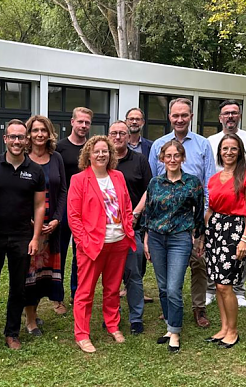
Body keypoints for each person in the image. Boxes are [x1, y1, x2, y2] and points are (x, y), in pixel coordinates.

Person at [0, 119, 46, 351]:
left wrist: (35, 237)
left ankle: (12, 333)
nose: (17, 141)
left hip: (22, 237)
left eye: (21, 137)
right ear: (5, 139)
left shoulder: (36, 171)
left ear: (26, 140)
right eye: (12, 137)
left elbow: (39, 206)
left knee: (18, 287)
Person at [148, 98, 214, 328]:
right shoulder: (158, 145)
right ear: (169, 117)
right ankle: (170, 308)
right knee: (166, 269)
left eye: (184, 115)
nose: (179, 119)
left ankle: (198, 308)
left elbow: (208, 185)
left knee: (198, 262)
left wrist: (203, 223)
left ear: (191, 117)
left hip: (194, 218)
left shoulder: (203, 144)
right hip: (164, 224)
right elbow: (153, 186)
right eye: (175, 115)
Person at [67, 136, 136, 353]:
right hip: (92, 246)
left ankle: (113, 325)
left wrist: (128, 232)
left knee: (113, 289)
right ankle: (82, 334)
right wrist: (84, 242)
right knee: (85, 292)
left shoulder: (118, 176)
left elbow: (126, 206)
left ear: (110, 154)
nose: (101, 154)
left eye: (105, 151)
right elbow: (74, 216)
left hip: (118, 243)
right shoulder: (79, 180)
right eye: (96, 151)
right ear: (88, 154)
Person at [144, 140, 204, 353]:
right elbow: (148, 213)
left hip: (180, 239)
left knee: (173, 287)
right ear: (162, 158)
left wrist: (199, 238)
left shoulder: (192, 183)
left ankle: (176, 332)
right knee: (162, 287)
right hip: (156, 238)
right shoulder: (155, 183)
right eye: (167, 156)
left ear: (182, 158)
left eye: (176, 155)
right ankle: (170, 326)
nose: (171, 159)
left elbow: (198, 214)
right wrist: (146, 240)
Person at [205, 100, 246, 308]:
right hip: (217, 210)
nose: (230, 116)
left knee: (237, 257)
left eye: (234, 113)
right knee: (213, 257)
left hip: (237, 214)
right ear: (220, 117)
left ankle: (238, 290)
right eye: (226, 113)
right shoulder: (211, 141)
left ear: (239, 115)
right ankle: (211, 289)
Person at [204, 133, 246, 349]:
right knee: (218, 284)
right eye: (225, 149)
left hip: (235, 232)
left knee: (226, 285)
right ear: (219, 152)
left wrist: (245, 238)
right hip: (215, 231)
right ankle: (224, 327)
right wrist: (208, 226)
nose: (229, 152)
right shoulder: (213, 179)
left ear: (240, 152)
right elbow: (210, 206)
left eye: (233, 149)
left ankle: (233, 331)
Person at [22, 115, 68, 336]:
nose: (39, 134)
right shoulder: (22, 159)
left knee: (45, 274)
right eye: (35, 130)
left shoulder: (56, 157)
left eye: (44, 130)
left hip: (53, 228)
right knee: (30, 273)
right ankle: (30, 320)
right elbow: (18, 194)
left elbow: (62, 192)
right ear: (28, 134)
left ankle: (34, 311)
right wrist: (31, 222)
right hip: (30, 228)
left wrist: (57, 219)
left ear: (49, 134)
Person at [109, 121, 152, 334]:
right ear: (108, 136)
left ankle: (136, 318)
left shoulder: (140, 160)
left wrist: (135, 213)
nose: (117, 137)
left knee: (133, 273)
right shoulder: (101, 161)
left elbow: (149, 189)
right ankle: (111, 315)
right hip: (106, 229)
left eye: (122, 133)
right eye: (114, 133)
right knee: (110, 276)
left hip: (131, 227)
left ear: (129, 137)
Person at [56, 107, 92, 305]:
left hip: (86, 210)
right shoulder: (59, 148)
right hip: (63, 208)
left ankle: (76, 293)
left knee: (81, 253)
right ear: (72, 122)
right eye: (80, 122)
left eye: (87, 123)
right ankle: (57, 295)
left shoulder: (91, 148)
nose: (84, 126)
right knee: (60, 252)